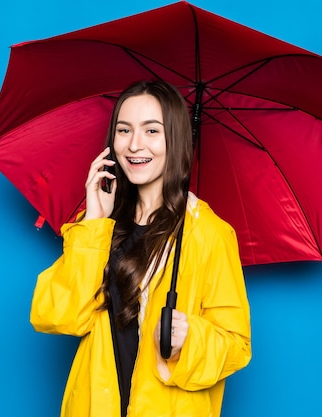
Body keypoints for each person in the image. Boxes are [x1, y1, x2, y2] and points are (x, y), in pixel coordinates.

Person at [30, 80, 251, 417]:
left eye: (151, 131)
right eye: (123, 130)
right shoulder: (98, 225)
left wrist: (191, 338)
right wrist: (93, 222)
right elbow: (57, 316)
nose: (134, 144)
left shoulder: (208, 232)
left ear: (175, 138)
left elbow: (237, 345)